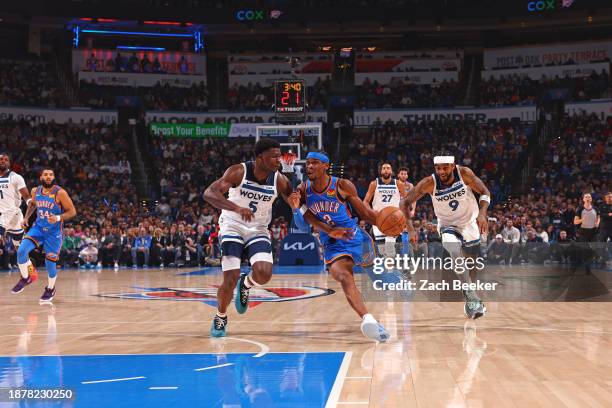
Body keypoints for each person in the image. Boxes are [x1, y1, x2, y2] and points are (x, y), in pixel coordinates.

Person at [291, 150, 390, 342]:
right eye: (308, 163)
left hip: (355, 237)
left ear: (325, 166)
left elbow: (363, 212)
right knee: (344, 276)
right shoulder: (303, 190)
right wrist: (296, 209)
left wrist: (383, 224)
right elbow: (303, 225)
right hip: (333, 243)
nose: (309, 166)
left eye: (314, 163)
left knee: (379, 276)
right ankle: (368, 320)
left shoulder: (342, 185)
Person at [203, 138, 296, 337]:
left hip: (258, 228)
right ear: (260, 157)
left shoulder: (279, 179)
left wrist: (302, 200)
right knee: (230, 277)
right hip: (232, 226)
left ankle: (246, 284)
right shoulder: (238, 171)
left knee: (264, 273)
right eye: (274, 156)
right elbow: (209, 193)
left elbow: (295, 203)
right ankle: (221, 317)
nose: (278, 160)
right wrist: (236, 208)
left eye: (279, 156)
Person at [400, 155, 490, 319]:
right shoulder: (430, 182)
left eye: (445, 167)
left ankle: (471, 295)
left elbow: (484, 191)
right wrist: (410, 227)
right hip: (448, 225)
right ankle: (471, 297)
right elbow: (404, 203)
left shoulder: (464, 173)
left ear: (453, 166)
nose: (441, 171)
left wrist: (483, 213)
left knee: (472, 265)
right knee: (452, 248)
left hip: (470, 223)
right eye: (438, 168)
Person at [12, 168, 77, 304]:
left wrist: (59, 217)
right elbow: (32, 204)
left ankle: (50, 288)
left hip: (54, 233)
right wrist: (26, 218)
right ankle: (26, 277)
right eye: (45, 175)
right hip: (38, 229)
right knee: (22, 251)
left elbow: (72, 212)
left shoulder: (60, 193)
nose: (48, 177)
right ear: (41, 177)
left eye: (51, 174)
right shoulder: (36, 191)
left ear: (54, 177)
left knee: (50, 265)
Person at [363, 163, 407, 250]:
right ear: (381, 171)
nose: (386, 170)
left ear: (391, 171)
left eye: (388, 168)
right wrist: (371, 212)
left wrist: (403, 214)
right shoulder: (374, 184)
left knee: (391, 250)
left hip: (395, 219)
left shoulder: (398, 184)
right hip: (379, 219)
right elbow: (365, 202)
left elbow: (406, 201)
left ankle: (390, 262)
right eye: (384, 168)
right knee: (382, 251)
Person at [0, 153, 32, 253]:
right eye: (1, 159)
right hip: (2, 215)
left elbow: (27, 196)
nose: (2, 161)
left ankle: (27, 267)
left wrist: (31, 203)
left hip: (13, 214)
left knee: (20, 250)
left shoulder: (15, 177)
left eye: (5, 160)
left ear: (9, 163)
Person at [573, 193, 600, 274]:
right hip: (583, 232)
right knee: (584, 250)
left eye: (589, 197)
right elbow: (575, 222)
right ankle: (587, 267)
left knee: (594, 248)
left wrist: (597, 222)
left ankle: (590, 262)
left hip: (593, 231)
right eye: (586, 197)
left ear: (591, 199)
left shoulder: (595, 208)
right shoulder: (580, 209)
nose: (588, 198)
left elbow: (598, 217)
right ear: (583, 199)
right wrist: (582, 220)